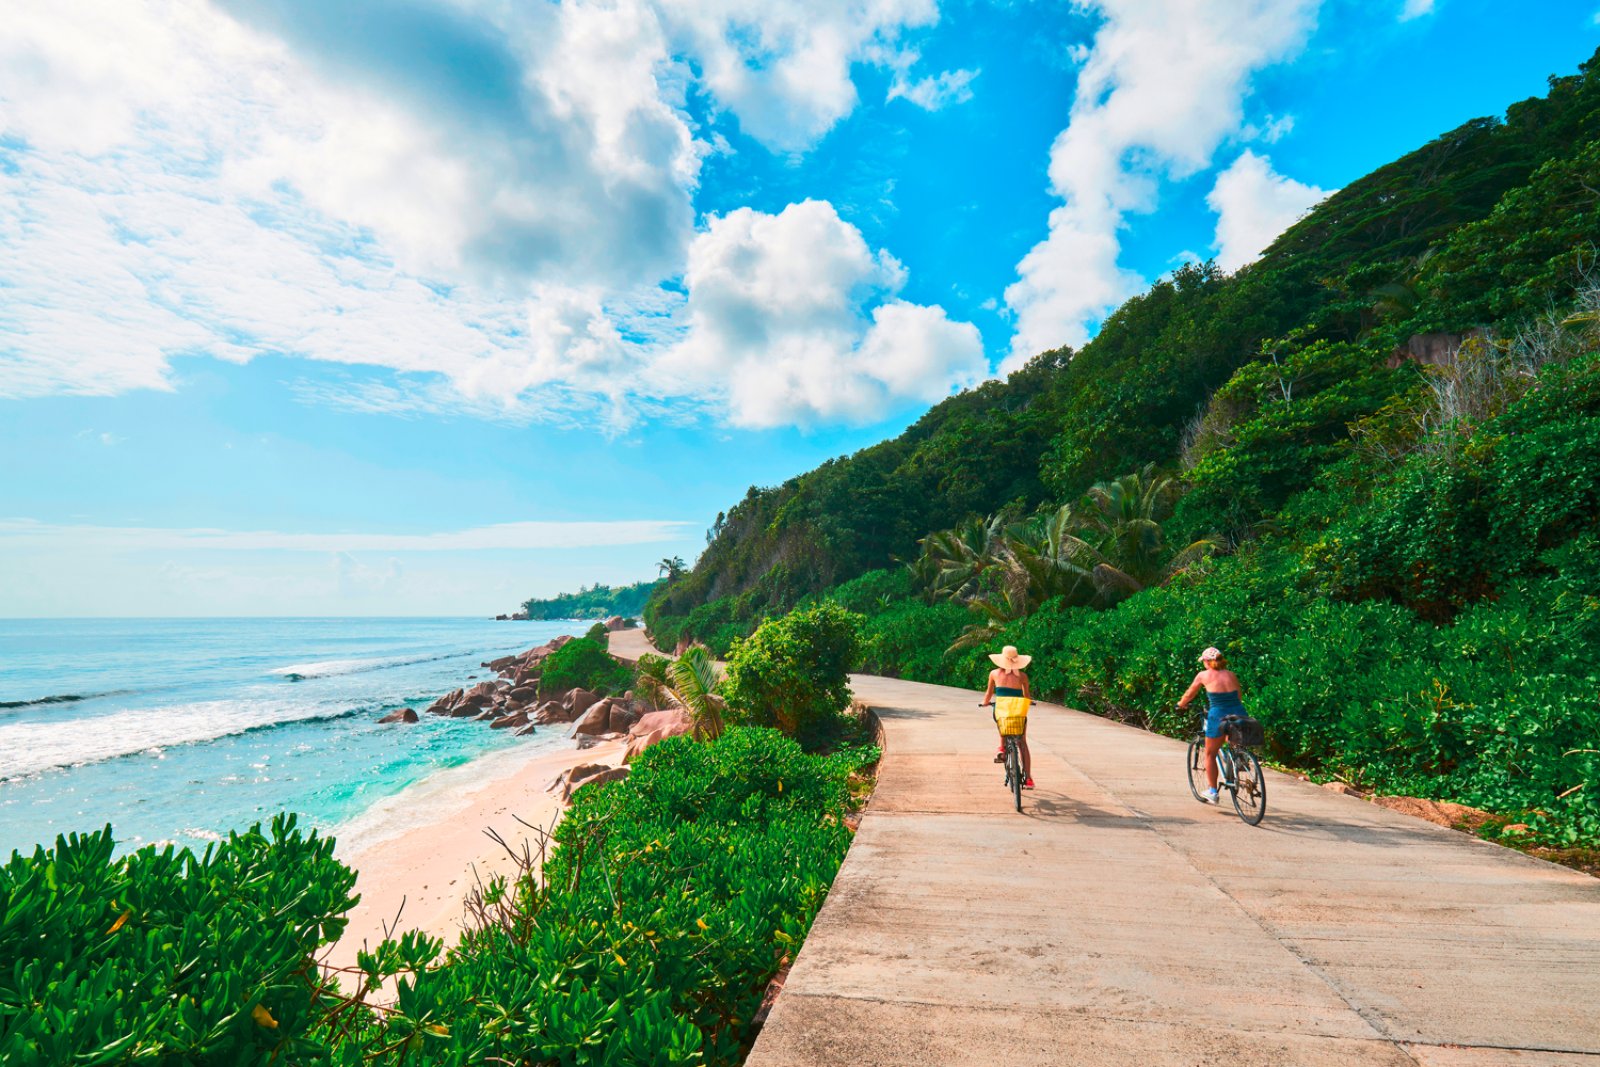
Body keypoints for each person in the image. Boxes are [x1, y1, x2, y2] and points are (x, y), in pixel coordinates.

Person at [1177, 646, 1244, 804]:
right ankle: (1237, 759)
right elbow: (1239, 696)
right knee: (1232, 742)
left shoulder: (1203, 675)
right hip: (1238, 712)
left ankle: (1213, 791)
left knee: (1210, 753)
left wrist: (1180, 705)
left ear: (1207, 661)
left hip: (1218, 715)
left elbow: (1189, 693)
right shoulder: (1231, 674)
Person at [982, 645, 1034, 789]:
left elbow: (988, 694)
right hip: (1018, 712)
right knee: (1022, 742)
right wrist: (1029, 702)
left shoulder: (994, 674)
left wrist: (985, 703)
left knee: (1001, 719)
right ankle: (1028, 778)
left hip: (1002, 711)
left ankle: (1002, 748)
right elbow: (1027, 696)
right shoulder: (1023, 676)